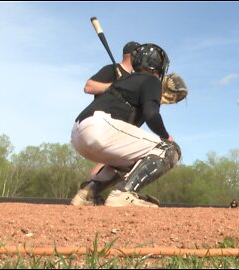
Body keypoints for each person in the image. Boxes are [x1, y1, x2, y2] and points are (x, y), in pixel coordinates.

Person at [70, 43, 181, 207]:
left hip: (78, 133)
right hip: (100, 127)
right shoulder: (151, 80)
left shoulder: (124, 80)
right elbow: (151, 114)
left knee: (132, 159)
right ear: (159, 65)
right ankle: (124, 194)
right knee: (169, 149)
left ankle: (89, 193)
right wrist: (166, 136)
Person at [75, 41, 141, 204]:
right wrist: (114, 86)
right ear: (133, 55)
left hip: (120, 127)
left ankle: (89, 192)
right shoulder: (112, 70)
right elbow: (89, 87)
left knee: (110, 163)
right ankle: (96, 193)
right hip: (103, 122)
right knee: (122, 160)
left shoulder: (133, 79)